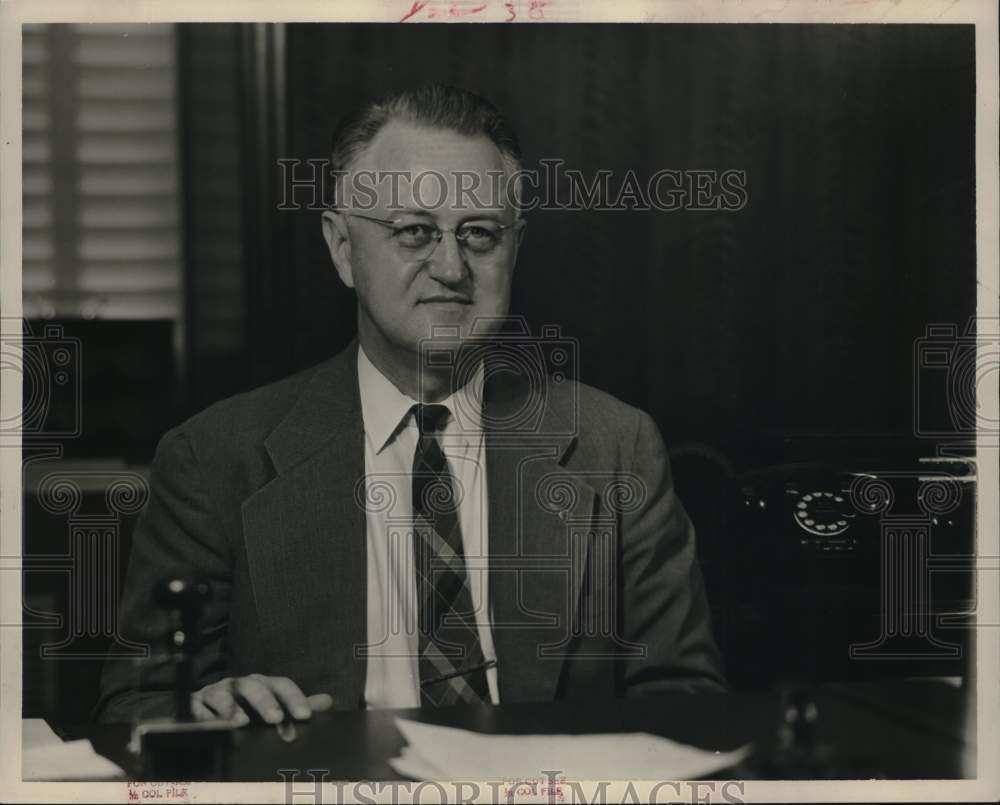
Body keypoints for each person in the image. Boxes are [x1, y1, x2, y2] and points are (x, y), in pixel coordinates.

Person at [96, 84, 725, 725]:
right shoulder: (214, 458)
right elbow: (137, 702)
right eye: (414, 231)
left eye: (479, 233)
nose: (450, 266)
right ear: (343, 248)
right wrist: (202, 708)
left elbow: (685, 699)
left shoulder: (615, 446)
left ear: (516, 248)